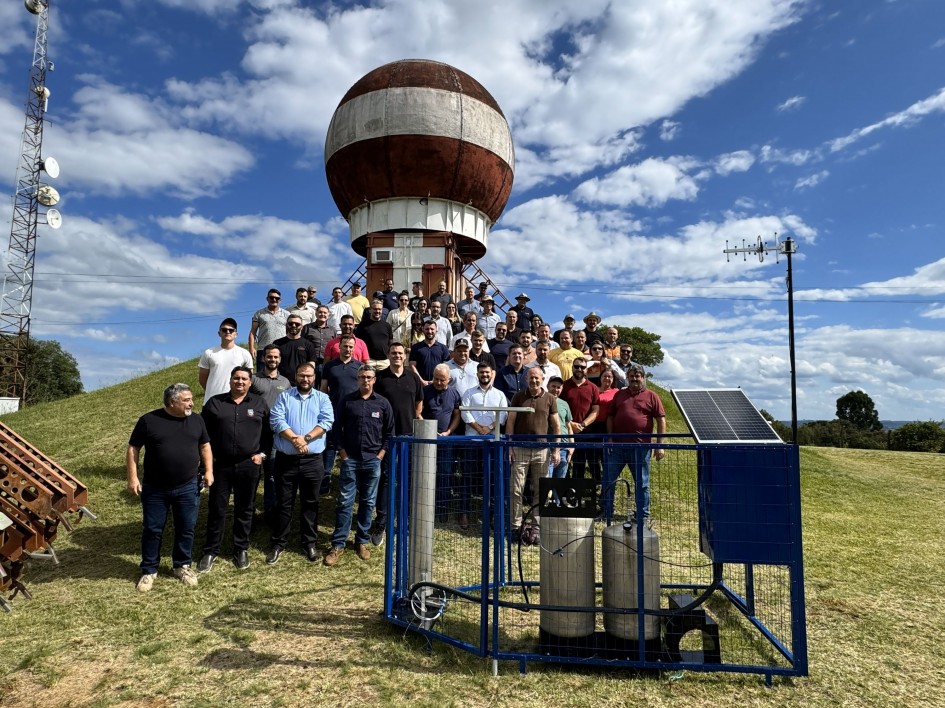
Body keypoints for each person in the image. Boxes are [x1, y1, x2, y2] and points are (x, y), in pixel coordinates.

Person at [127, 383, 212, 592]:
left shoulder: (197, 419)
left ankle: (182, 566)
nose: (192, 403)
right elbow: (133, 448)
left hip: (188, 486)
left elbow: (205, 445)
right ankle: (149, 570)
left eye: (191, 399)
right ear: (173, 402)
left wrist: (209, 471)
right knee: (152, 529)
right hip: (155, 488)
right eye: (186, 400)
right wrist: (133, 477)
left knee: (186, 527)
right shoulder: (149, 420)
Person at [197, 366, 270, 573]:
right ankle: (211, 550)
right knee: (217, 508)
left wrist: (262, 454)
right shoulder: (215, 403)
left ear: (249, 383)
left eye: (244, 379)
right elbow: (204, 437)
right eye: (236, 378)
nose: (240, 382)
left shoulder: (259, 403)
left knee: (245, 508)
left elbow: (268, 433)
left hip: (249, 464)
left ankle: (241, 548)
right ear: (230, 381)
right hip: (221, 465)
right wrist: (206, 466)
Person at [323, 366, 394, 566]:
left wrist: (380, 455)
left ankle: (361, 541)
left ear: (374, 380)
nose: (365, 381)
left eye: (369, 378)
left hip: (373, 460)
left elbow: (389, 433)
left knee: (368, 502)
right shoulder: (347, 401)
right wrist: (342, 453)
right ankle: (338, 544)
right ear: (357, 379)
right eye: (362, 377)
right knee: (345, 502)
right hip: (350, 459)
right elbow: (336, 428)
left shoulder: (382, 403)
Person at [267, 363, 333, 565]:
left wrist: (305, 438)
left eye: (309, 376)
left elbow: (327, 421)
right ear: (296, 376)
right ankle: (279, 542)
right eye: (302, 375)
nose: (305, 379)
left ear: (315, 377)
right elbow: (276, 420)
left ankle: (309, 542)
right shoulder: (285, 396)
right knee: (284, 503)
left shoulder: (323, 398)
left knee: (310, 503)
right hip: (286, 460)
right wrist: (295, 439)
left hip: (312, 461)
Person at [371, 342, 424, 546]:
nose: (397, 356)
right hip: (386, 437)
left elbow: (419, 399)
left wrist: (417, 414)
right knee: (385, 479)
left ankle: (406, 520)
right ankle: (382, 522)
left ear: (405, 355)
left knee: (408, 479)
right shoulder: (381, 378)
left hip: (409, 436)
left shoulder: (413, 378)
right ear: (388, 354)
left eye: (400, 353)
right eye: (393, 352)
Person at [603, 364, 666, 522]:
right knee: (608, 480)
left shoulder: (652, 396)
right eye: (631, 376)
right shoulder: (619, 395)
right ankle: (606, 512)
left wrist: (660, 445)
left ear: (643, 378)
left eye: (638, 376)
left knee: (642, 483)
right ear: (627, 378)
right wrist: (610, 438)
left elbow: (661, 419)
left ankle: (643, 515)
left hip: (640, 448)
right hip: (617, 447)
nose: (634, 379)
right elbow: (610, 416)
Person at [506, 368, 560, 536]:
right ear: (526, 379)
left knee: (541, 490)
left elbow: (556, 426)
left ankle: (536, 527)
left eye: (537, 378)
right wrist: (509, 446)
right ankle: (515, 526)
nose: (534, 381)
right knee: (516, 489)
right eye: (531, 378)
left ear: (542, 379)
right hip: (520, 448)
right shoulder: (518, 396)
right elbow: (511, 422)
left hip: (542, 451)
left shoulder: (550, 399)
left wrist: (556, 450)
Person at [459, 361, 508, 528]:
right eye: (481, 372)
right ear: (477, 374)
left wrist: (490, 428)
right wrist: (479, 428)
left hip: (493, 441)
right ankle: (464, 514)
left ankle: (493, 514)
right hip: (472, 441)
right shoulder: (469, 393)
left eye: (487, 372)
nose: (484, 375)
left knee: (494, 479)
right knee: (468, 478)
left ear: (492, 373)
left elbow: (503, 415)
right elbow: (465, 412)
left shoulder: (500, 395)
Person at [320, 334, 363, 494]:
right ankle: (326, 479)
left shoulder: (359, 367)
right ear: (340, 347)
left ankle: (354, 481)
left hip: (354, 412)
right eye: (345, 346)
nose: (348, 349)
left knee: (353, 446)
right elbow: (323, 389)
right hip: (333, 411)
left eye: (351, 346)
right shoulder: (330, 366)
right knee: (330, 446)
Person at [250, 345, 290, 519]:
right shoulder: (253, 379)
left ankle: (269, 510)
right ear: (263, 358)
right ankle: (248, 511)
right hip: (254, 433)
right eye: (269, 357)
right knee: (252, 474)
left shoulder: (285, 382)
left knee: (271, 474)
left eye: (275, 357)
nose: (272, 360)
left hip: (274, 434)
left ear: (280, 360)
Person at [422, 364, 462, 522]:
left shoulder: (454, 393)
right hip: (427, 439)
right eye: (436, 379)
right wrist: (428, 430)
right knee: (426, 473)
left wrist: (448, 432)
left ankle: (442, 508)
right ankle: (425, 506)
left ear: (449, 380)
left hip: (446, 440)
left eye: (442, 380)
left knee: (445, 473)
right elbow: (418, 412)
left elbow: (457, 416)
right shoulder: (425, 391)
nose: (438, 382)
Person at [561, 357, 600, 483]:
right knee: (565, 462)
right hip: (567, 431)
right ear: (572, 368)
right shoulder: (564, 386)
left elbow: (595, 411)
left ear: (586, 369)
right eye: (576, 366)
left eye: (582, 367)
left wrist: (582, 425)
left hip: (586, 431)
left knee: (582, 463)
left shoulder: (593, 388)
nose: (579, 369)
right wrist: (571, 424)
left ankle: (581, 492)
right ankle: (566, 492)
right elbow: (559, 408)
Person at [198, 317, 254, 404]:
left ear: (236, 334)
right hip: (211, 401)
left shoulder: (244, 354)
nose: (227, 332)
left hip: (236, 402)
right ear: (219, 333)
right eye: (224, 330)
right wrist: (212, 390)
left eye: (231, 330)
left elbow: (249, 379)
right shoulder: (209, 353)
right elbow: (202, 379)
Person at [249, 289, 288, 371]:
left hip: (281, 350)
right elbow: (253, 331)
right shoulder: (259, 313)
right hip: (263, 349)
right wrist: (251, 347)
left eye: (277, 298)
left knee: (282, 377)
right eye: (272, 297)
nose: (274, 300)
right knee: (262, 377)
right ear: (267, 298)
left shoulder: (287, 314)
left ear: (280, 300)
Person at [274, 314, 320, 382]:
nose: (294, 326)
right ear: (287, 325)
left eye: (297, 324)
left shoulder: (308, 344)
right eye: (291, 323)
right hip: (281, 382)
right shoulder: (277, 343)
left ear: (301, 327)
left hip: (301, 382)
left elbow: (311, 366)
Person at [547, 376, 574, 484]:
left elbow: (569, 426)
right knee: (546, 480)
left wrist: (572, 446)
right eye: (553, 386)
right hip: (548, 447)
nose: (556, 389)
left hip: (564, 448)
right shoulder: (542, 401)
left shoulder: (564, 404)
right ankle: (546, 501)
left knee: (560, 483)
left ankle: (558, 501)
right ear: (548, 386)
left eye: (558, 387)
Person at [409, 319, 451, 385]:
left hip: (438, 385)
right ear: (423, 330)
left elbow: (446, 367)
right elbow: (412, 366)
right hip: (420, 385)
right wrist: (422, 381)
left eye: (432, 329)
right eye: (427, 329)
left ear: (436, 330)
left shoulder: (443, 348)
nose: (430, 331)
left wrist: (436, 381)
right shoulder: (416, 347)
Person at [355, 299, 393, 369]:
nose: (377, 311)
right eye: (375, 309)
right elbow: (358, 342)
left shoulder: (387, 325)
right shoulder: (363, 325)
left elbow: (390, 342)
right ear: (370, 310)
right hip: (368, 361)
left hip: (384, 362)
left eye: (379, 309)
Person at [301, 304, 334, 384]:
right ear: (316, 313)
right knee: (310, 385)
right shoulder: (307, 328)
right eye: (320, 312)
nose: (322, 314)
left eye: (325, 313)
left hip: (326, 364)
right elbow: (302, 343)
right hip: (310, 363)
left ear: (328, 315)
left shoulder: (333, 330)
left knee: (324, 387)